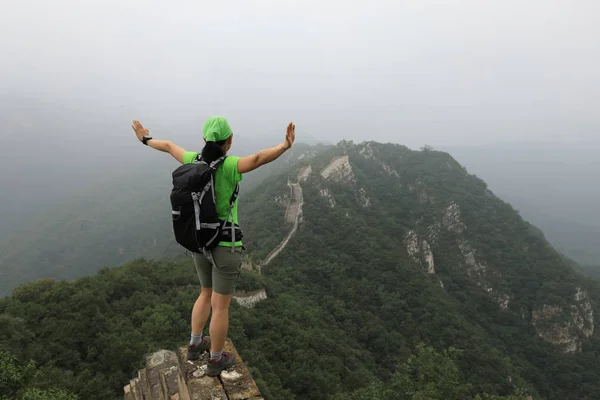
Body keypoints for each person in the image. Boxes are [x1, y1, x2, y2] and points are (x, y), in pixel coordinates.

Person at [131, 116, 295, 376]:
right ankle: (216, 359)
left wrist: (145, 139)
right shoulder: (230, 165)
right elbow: (258, 159)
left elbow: (169, 146)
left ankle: (196, 343)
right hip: (225, 245)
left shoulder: (193, 161)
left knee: (204, 293)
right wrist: (284, 146)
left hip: (198, 242)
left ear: (204, 140)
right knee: (221, 305)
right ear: (229, 141)